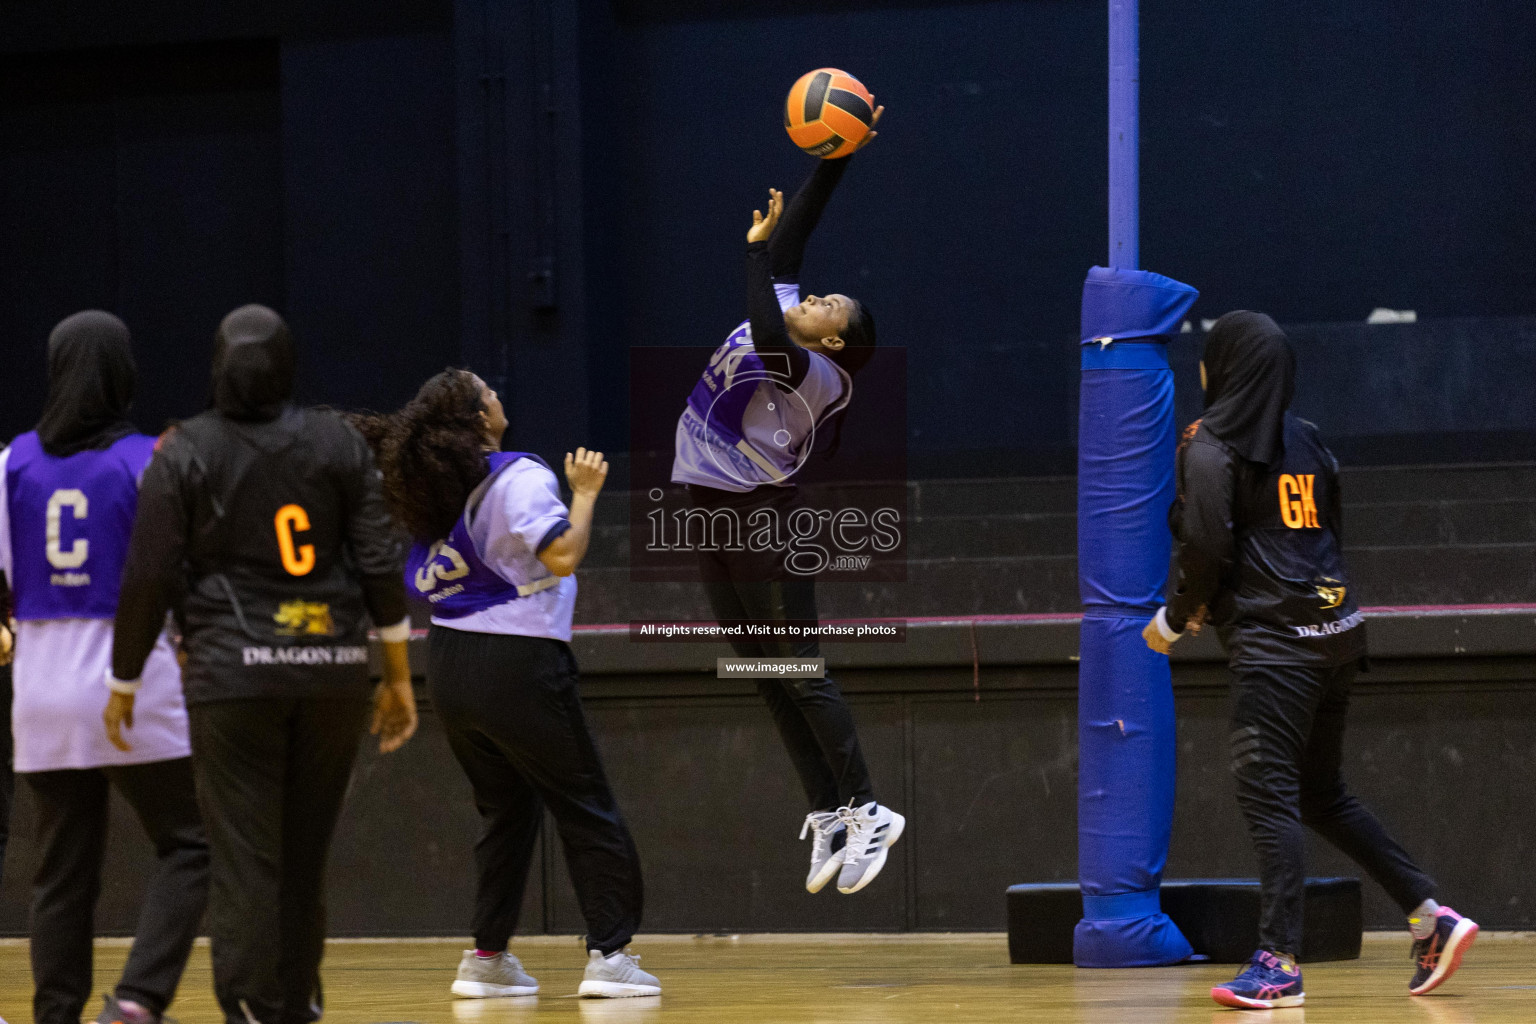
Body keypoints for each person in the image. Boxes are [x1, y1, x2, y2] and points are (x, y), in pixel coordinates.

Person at [1143, 311, 1477, 1009]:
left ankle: (1278, 964)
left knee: (1268, 798)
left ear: (1227, 368)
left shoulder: (1209, 446)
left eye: (1209, 359)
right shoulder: (1312, 440)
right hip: (1339, 637)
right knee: (1321, 794)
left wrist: (1176, 620)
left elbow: (1207, 546)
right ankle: (1430, 917)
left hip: (1276, 650)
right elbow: (1322, 539)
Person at [108, 304, 418, 1024]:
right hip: (331, 672)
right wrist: (397, 676)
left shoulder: (184, 450)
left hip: (231, 679)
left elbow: (148, 574)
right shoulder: (338, 442)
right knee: (304, 855)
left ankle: (253, 1006)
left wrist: (124, 681)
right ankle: (297, 1000)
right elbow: (378, 561)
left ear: (216, 364)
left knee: (247, 859)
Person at [356, 368, 658, 999]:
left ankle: (486, 957)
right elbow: (563, 555)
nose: (499, 394)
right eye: (489, 390)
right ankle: (610, 957)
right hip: (517, 659)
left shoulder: (440, 488)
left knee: (506, 811)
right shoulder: (520, 476)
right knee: (586, 805)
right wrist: (584, 492)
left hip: (449, 663)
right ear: (478, 419)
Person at [669, 124, 904, 897]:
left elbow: (770, 327)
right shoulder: (795, 320)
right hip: (713, 514)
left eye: (827, 303)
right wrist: (835, 157)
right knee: (765, 672)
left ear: (834, 337)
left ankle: (870, 807)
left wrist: (752, 253)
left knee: (799, 670)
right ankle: (830, 812)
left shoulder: (818, 376)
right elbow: (795, 242)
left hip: (761, 524)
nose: (813, 295)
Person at [0, 311, 209, 1024]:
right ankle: (138, 1000)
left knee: (60, 871)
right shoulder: (150, 460)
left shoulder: (12, 463)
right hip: (129, 678)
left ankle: (55, 1015)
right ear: (124, 374)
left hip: (40, 688)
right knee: (190, 844)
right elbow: (178, 575)